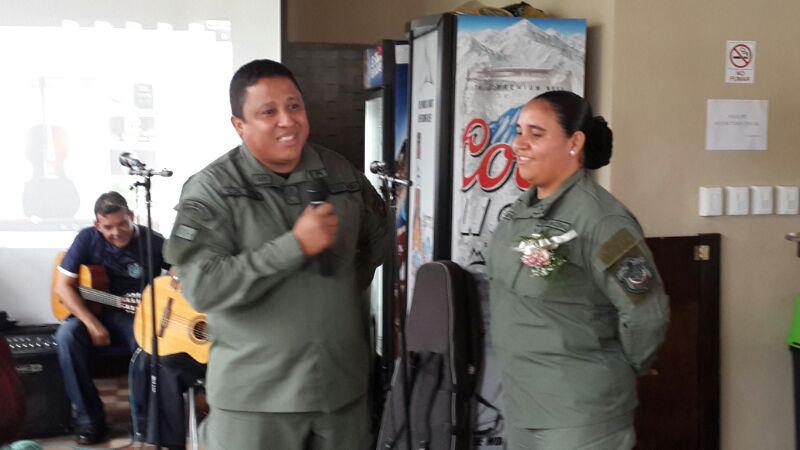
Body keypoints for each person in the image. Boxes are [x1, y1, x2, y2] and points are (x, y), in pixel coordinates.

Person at [164, 59, 389, 450]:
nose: (287, 121)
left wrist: (331, 298)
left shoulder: (340, 174)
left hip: (341, 393)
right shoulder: (214, 189)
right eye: (268, 112)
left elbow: (377, 243)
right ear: (239, 125)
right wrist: (293, 247)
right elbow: (202, 286)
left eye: (294, 106)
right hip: (257, 401)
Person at [486, 91, 670, 450]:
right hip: (523, 409)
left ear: (574, 143)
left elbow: (646, 311)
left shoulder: (601, 220)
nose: (519, 144)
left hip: (580, 415)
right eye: (519, 131)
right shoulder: (520, 212)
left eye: (536, 134)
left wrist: (631, 364)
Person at [53, 191, 201, 448]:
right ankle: (90, 421)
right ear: (97, 225)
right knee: (66, 338)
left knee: (147, 347)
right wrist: (91, 323)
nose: (116, 232)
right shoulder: (87, 239)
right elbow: (63, 287)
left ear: (131, 216)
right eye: (108, 227)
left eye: (122, 223)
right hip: (92, 313)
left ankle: (142, 425)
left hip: (135, 315)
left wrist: (173, 280)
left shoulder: (151, 241)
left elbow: (178, 268)